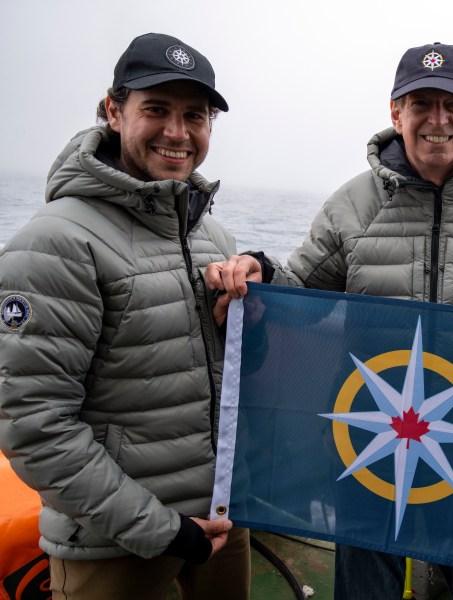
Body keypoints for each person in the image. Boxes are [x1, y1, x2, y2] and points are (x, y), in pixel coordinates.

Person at [206, 42, 453, 599]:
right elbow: (300, 293)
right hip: (368, 435)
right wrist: (257, 271)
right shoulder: (351, 205)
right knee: (365, 581)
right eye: (420, 103)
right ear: (394, 112)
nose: (437, 120)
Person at [0, 33, 250, 599]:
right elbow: (36, 430)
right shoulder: (56, 241)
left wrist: (260, 275)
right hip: (113, 544)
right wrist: (163, 531)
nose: (178, 133)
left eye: (195, 115)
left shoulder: (210, 233)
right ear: (114, 111)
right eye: (156, 110)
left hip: (220, 522)